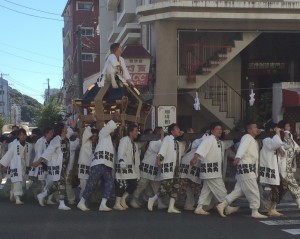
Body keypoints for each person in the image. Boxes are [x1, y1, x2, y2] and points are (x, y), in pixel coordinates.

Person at [216, 122, 268, 219]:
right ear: (249, 130)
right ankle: (255, 210)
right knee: (254, 190)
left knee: (239, 191)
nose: (257, 128)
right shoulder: (247, 137)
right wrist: (238, 157)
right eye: (255, 127)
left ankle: (222, 205)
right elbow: (242, 147)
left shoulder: (252, 139)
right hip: (246, 167)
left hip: (246, 168)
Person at [190, 122, 238, 216]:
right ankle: (226, 207)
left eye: (221, 129)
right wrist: (195, 158)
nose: (220, 130)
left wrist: (228, 133)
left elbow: (227, 143)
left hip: (212, 170)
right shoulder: (208, 139)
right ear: (212, 131)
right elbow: (201, 149)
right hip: (211, 170)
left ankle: (199, 208)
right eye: (217, 129)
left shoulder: (219, 141)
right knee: (221, 189)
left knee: (206, 190)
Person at [77, 113, 119, 212]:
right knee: (91, 184)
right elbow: (109, 127)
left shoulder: (106, 141)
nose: (113, 131)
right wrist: (113, 119)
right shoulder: (103, 133)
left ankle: (103, 204)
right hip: (98, 164)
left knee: (109, 182)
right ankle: (81, 202)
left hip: (105, 165)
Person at [33, 123, 72, 210]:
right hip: (57, 166)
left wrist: (76, 118)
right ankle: (61, 203)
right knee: (61, 183)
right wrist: (38, 161)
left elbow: (72, 128)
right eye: (65, 127)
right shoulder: (55, 140)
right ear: (62, 130)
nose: (67, 129)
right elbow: (48, 152)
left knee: (56, 184)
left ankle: (42, 195)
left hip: (64, 165)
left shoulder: (66, 138)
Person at [147, 123, 184, 214]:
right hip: (168, 166)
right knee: (166, 186)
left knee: (176, 187)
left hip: (176, 167)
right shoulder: (168, 139)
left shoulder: (177, 141)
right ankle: (152, 199)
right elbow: (163, 149)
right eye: (177, 129)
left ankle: (171, 207)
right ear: (172, 131)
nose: (179, 130)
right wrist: (159, 158)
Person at [130, 127, 164, 209]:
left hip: (153, 168)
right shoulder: (154, 142)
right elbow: (161, 148)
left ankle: (158, 202)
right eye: (162, 133)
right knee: (142, 184)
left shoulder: (155, 141)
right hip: (147, 166)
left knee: (154, 186)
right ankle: (133, 200)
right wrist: (162, 137)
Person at [0, 129, 32, 204]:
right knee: (17, 180)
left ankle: (12, 193)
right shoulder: (14, 145)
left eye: (24, 134)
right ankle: (17, 197)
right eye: (21, 135)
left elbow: (28, 156)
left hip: (23, 164)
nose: (23, 136)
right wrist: (3, 165)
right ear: (18, 136)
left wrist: (28, 166)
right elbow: (8, 155)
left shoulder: (28, 145)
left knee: (20, 180)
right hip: (15, 164)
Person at [259, 122, 285, 217]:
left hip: (275, 167)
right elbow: (275, 143)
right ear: (271, 130)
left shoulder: (274, 139)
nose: (278, 130)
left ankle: (270, 206)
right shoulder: (266, 139)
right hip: (269, 167)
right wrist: (277, 134)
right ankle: (271, 208)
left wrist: (278, 137)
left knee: (281, 187)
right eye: (276, 128)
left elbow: (282, 153)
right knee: (276, 188)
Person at [114, 123, 140, 210]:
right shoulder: (124, 140)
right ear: (130, 132)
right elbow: (121, 151)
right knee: (122, 185)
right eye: (136, 131)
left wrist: (137, 170)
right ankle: (117, 203)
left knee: (134, 183)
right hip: (123, 166)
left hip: (131, 168)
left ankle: (123, 199)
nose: (137, 133)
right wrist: (121, 161)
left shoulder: (134, 144)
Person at [277, 120, 300, 208]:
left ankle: (270, 205)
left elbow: (297, 150)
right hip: (284, 168)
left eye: (289, 127)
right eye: (286, 127)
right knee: (295, 187)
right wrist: (286, 136)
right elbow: (286, 147)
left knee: (282, 189)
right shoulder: (279, 139)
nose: (288, 129)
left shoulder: (290, 138)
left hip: (288, 168)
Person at [77, 124, 99, 198]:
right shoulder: (85, 141)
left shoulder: (97, 145)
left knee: (91, 184)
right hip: (83, 165)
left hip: (91, 167)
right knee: (83, 185)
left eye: (96, 136)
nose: (94, 138)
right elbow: (86, 131)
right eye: (93, 136)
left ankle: (85, 199)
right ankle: (81, 199)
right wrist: (92, 123)